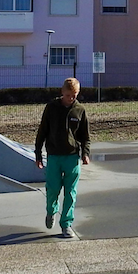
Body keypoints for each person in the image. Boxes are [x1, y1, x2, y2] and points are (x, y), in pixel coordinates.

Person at [35, 77, 91, 238]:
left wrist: (85, 154)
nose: (71, 99)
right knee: (53, 189)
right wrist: (38, 153)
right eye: (68, 95)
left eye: (74, 95)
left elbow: (85, 136)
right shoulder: (51, 108)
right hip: (54, 156)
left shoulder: (79, 110)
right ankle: (51, 212)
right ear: (62, 92)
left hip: (72, 157)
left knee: (70, 192)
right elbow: (42, 131)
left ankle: (66, 224)